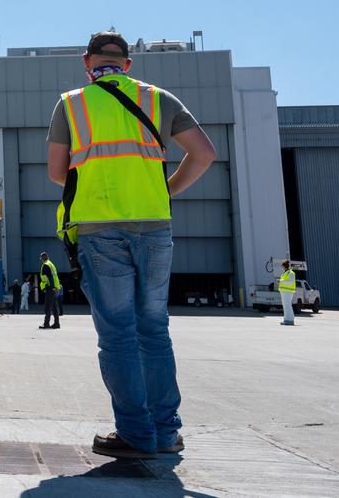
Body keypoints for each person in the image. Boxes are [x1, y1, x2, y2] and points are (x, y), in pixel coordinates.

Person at [48, 31, 216, 460]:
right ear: (128, 63)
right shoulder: (160, 100)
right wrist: (164, 190)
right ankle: (165, 433)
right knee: (155, 331)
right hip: (155, 226)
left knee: (119, 336)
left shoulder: (72, 104)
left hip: (100, 229)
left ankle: (136, 435)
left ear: (87, 62)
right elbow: (204, 154)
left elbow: (56, 173)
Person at [38, 252, 61, 329]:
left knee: (47, 306)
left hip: (50, 288)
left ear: (42, 258)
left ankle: (46, 324)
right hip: (54, 288)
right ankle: (57, 324)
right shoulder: (51, 264)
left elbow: (50, 277)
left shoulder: (45, 265)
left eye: (41, 258)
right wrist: (54, 287)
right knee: (54, 307)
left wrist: (51, 287)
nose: (41, 260)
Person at [278, 260, 296, 326]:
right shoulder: (284, 273)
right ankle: (286, 319)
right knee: (285, 305)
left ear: (285, 266)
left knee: (287, 305)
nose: (281, 267)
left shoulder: (291, 273)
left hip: (288, 291)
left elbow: (290, 282)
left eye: (282, 266)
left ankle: (290, 320)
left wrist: (281, 281)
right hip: (284, 291)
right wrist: (280, 281)